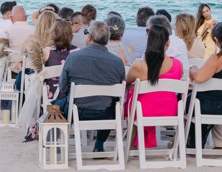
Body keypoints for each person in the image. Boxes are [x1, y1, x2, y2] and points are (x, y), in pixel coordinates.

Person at [52, 20, 126, 152]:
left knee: (53, 107)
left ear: (90, 37)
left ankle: (57, 143)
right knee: (112, 104)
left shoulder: (74, 57)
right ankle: (99, 144)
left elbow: (63, 87)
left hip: (76, 111)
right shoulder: (117, 62)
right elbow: (119, 92)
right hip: (105, 113)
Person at [125, 19, 183, 147]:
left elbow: (126, 82)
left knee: (132, 97)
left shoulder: (139, 66)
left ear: (149, 42)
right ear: (168, 43)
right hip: (170, 110)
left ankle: (130, 143)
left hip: (144, 111)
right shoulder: (178, 65)